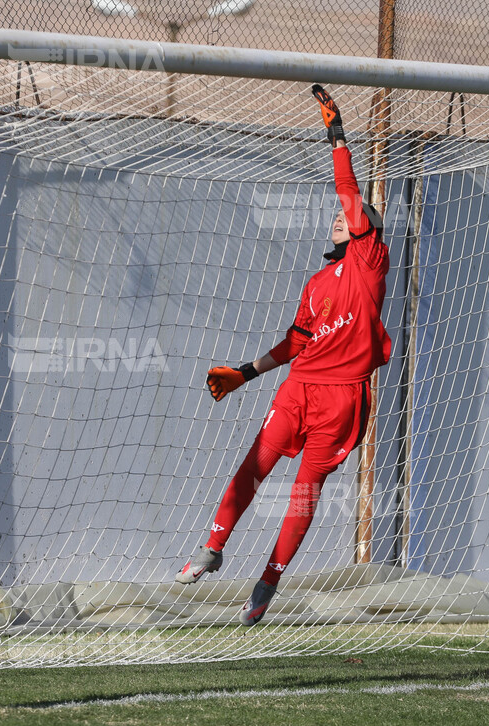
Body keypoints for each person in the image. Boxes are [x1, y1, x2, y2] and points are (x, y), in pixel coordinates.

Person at [174, 84, 392, 627]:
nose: (344, 215)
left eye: (355, 214)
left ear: (368, 230)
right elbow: (298, 341)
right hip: (297, 387)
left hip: (342, 400)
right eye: (343, 216)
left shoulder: (371, 260)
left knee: (304, 492)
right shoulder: (318, 282)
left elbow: (348, 191)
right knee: (254, 465)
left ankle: (269, 578)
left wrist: (337, 135)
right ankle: (212, 547)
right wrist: (246, 373)